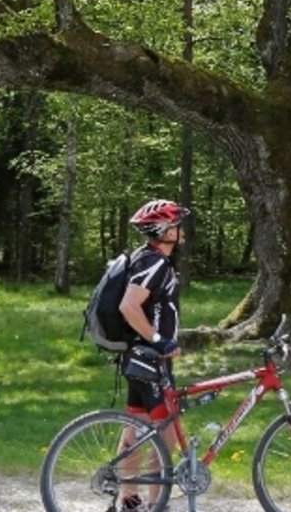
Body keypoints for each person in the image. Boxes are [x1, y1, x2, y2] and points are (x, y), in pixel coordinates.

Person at [116, 198, 190, 511]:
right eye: (176, 224)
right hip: (150, 361)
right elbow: (128, 306)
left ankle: (129, 498)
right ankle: (154, 503)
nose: (181, 229)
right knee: (166, 434)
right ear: (164, 231)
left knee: (138, 427)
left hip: (140, 358)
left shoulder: (148, 259)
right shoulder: (155, 263)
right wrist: (160, 340)